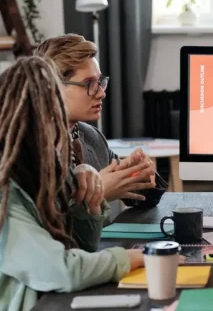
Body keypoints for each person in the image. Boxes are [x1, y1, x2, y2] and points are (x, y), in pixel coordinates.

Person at [0, 57, 145, 311]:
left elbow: (84, 247)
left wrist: (89, 197)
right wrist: (131, 258)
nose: (64, 131)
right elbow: (62, 270)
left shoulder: (44, 171)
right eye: (55, 119)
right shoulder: (6, 194)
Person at [34, 34, 167, 218]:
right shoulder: (27, 146)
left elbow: (141, 199)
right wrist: (98, 193)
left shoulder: (91, 137)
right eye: (88, 84)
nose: (101, 93)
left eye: (100, 82)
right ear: (52, 86)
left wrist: (140, 175)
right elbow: (36, 227)